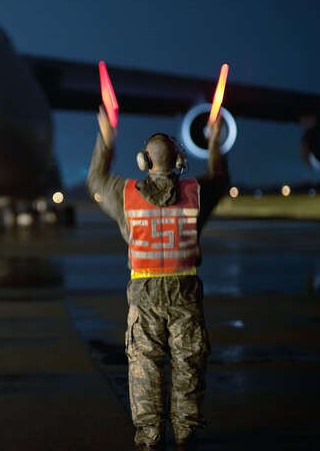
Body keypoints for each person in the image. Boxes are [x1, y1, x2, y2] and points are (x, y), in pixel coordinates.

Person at [86, 108, 229, 449]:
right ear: (179, 160)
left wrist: (106, 139)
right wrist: (214, 142)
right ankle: (185, 435)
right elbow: (220, 178)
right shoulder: (195, 192)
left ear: (143, 160)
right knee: (188, 369)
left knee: (146, 371)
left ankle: (149, 438)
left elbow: (95, 179)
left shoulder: (126, 194)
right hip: (186, 296)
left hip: (144, 297)